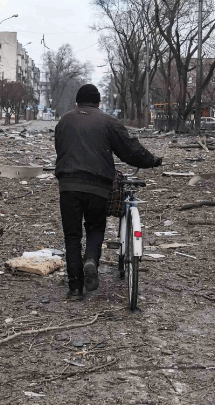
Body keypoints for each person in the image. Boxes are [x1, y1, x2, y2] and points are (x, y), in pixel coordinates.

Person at [54, 84, 161, 300]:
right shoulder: (108, 122)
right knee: (95, 227)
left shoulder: (64, 121)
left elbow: (60, 148)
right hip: (97, 186)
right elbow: (130, 150)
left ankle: (75, 288)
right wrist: (152, 161)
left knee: (72, 235)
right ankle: (91, 259)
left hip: (68, 185)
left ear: (77, 101)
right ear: (98, 102)